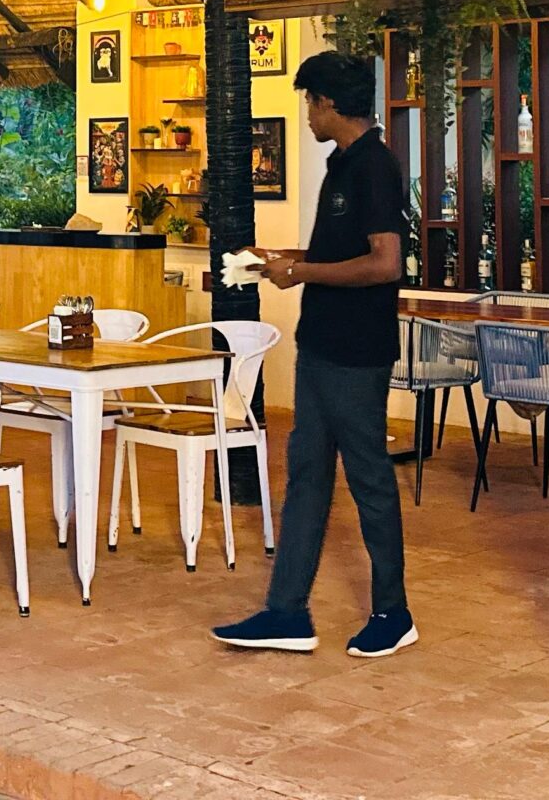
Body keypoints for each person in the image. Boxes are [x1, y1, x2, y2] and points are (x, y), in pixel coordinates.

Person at [212, 49, 415, 658]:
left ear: (328, 103)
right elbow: (340, 250)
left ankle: (393, 612)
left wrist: (299, 273)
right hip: (321, 346)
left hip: (356, 354)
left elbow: (385, 263)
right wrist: (281, 258)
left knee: (370, 480)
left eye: (308, 101)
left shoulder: (373, 167)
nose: (305, 114)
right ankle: (286, 613)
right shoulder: (343, 164)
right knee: (306, 478)